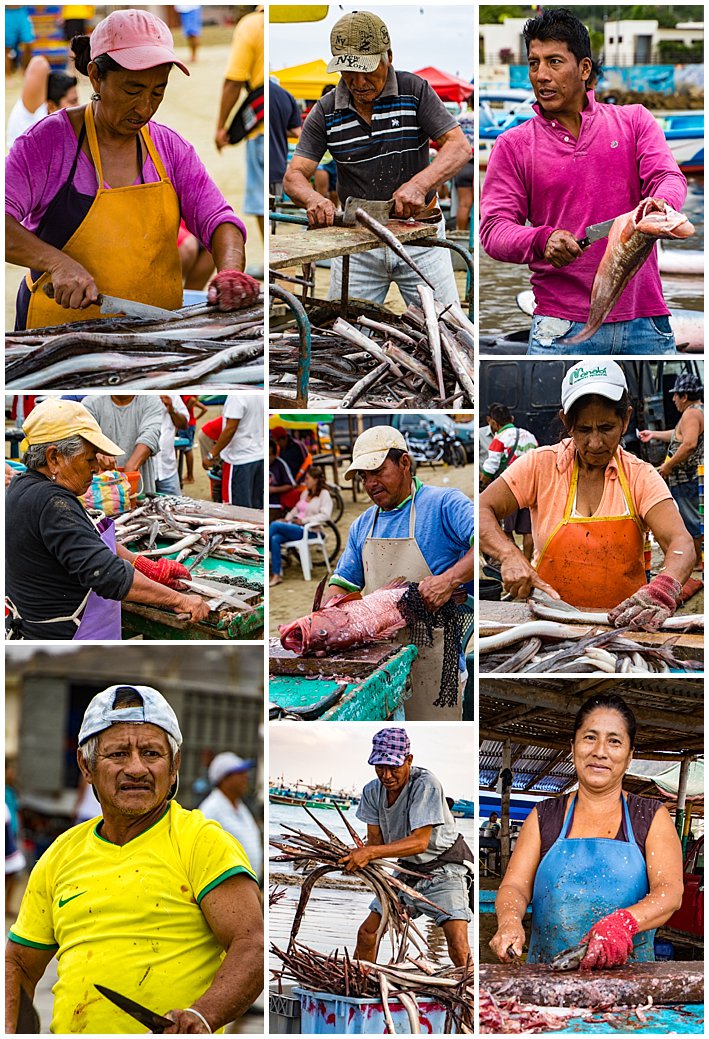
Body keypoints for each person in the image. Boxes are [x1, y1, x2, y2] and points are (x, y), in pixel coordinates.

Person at [5, 683, 263, 1033]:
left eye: (152, 754)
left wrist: (203, 1015)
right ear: (86, 765)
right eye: (118, 754)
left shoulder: (202, 841)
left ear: (174, 767)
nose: (137, 768)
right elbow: (19, 962)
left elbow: (253, 945)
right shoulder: (60, 855)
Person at [6, 8, 259, 331]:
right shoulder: (46, 143)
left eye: (158, 92)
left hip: (155, 338)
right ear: (96, 75)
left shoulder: (170, 148)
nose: (145, 108)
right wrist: (55, 263)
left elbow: (219, 220)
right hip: (56, 337)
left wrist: (230, 271)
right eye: (132, 90)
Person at [479, 8, 687, 354]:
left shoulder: (634, 121)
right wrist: (542, 240)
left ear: (584, 69)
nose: (541, 75)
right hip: (560, 326)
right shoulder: (513, 145)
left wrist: (659, 204)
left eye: (554, 62)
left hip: (645, 321)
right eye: (534, 63)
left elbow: (668, 177)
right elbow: (494, 230)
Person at [479, 360, 695, 629]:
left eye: (606, 428)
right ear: (566, 422)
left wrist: (661, 589)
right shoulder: (540, 464)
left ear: (625, 419)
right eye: (583, 429)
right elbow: (481, 509)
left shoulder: (641, 476)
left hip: (623, 625)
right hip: (549, 620)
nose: (595, 443)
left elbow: (681, 543)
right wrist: (509, 554)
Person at [283, 10, 470, 307]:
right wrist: (313, 199)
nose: (358, 82)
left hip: (420, 235)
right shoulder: (325, 110)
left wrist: (420, 184)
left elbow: (459, 146)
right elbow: (294, 176)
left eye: (367, 71)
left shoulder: (415, 91)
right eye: (348, 72)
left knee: (445, 326)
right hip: (357, 241)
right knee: (344, 338)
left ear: (389, 57)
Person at [489, 694, 683, 967]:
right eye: (590, 737)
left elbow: (670, 892)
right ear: (573, 746)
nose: (600, 751)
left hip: (631, 981)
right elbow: (514, 886)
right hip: (546, 977)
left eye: (614, 741)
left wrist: (623, 923)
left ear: (629, 757)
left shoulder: (650, 816)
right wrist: (509, 921)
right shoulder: (544, 816)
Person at [5, 398, 209, 640]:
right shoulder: (52, 504)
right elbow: (108, 575)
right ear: (54, 458)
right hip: (65, 640)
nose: (95, 468)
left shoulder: (24, 485)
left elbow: (85, 539)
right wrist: (181, 601)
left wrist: (143, 565)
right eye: (89, 459)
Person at [323, 426, 475, 720]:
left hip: (435, 660)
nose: (370, 483)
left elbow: (483, 538)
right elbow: (341, 585)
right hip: (380, 665)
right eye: (364, 477)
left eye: (377, 471)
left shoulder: (444, 504)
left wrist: (448, 580)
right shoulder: (362, 525)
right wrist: (324, 618)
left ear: (404, 463)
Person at [339, 729, 472, 967]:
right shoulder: (372, 791)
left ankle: (471, 1000)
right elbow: (375, 843)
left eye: (394, 767)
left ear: (409, 760)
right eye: (380, 767)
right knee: (367, 934)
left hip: (445, 870)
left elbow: (420, 842)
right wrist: (355, 856)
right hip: (406, 872)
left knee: (458, 944)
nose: (386, 775)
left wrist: (369, 853)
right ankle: (360, 992)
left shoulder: (425, 784)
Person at [639, 373, 704, 576]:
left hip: (688, 477)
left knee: (693, 520)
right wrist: (654, 435)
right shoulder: (695, 412)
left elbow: (689, 443)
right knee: (694, 518)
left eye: (676, 395)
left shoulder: (692, 414)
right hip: (688, 478)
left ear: (684, 396)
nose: (673, 399)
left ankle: (699, 560)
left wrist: (668, 466)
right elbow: (678, 435)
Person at [215, 6, 264, 251]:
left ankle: (270, 262)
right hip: (286, 125)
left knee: (263, 203)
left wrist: (221, 127)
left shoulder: (253, 24)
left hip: (261, 129)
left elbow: (234, 80)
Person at [480, 404, 538, 562]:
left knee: (505, 530)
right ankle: (527, 562)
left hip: (509, 489)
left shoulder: (499, 438)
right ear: (511, 419)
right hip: (531, 489)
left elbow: (490, 467)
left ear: (493, 422)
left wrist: (483, 483)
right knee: (528, 530)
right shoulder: (529, 435)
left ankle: (515, 562)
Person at [199, 752, 263, 882]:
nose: (246, 777)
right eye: (240, 773)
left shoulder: (241, 807)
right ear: (224, 779)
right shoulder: (210, 810)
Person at [83, 395, 164, 495]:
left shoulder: (151, 400)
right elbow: (83, 434)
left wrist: (130, 469)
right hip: (98, 494)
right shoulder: (91, 403)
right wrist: (97, 451)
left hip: (139, 490)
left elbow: (150, 435)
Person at [269, 465, 333, 586]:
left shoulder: (324, 495)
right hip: (296, 527)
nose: (305, 481)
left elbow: (325, 516)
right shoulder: (305, 493)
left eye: (308, 478)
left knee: (274, 525)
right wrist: (286, 519)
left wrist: (304, 521)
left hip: (310, 530)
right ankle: (277, 574)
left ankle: (263, 551)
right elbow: (295, 509)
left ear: (315, 480)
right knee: (275, 538)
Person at [202, 395, 264, 509]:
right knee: (257, 508)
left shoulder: (236, 397)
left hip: (239, 460)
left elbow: (230, 429)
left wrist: (212, 455)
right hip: (259, 456)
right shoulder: (260, 394)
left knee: (237, 511)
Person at [6, 55, 78, 149]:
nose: (78, 106)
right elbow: (39, 63)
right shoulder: (33, 112)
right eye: (72, 102)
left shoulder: (60, 127)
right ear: (51, 107)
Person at [269, 78, 301, 198]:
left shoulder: (256, 92)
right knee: (272, 211)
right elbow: (298, 132)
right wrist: (279, 129)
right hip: (278, 167)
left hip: (261, 165)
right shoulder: (286, 95)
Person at [155, 394, 190, 496]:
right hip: (144, 473)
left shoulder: (172, 395)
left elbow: (184, 424)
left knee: (175, 509)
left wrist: (171, 409)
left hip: (168, 471)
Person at [181, 394, 209, 484]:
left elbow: (192, 400)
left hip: (186, 425)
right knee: (187, 449)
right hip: (190, 424)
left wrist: (185, 410)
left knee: (187, 449)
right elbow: (204, 408)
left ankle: (190, 476)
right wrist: (195, 419)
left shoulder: (187, 395)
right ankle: (189, 475)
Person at [268, 437, 296, 516]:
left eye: (269, 455)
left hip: (274, 505)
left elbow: (291, 485)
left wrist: (273, 490)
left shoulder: (280, 465)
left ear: (274, 455)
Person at [5, 6, 35, 76]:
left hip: (21, 12)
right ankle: (8, 76)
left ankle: (24, 72)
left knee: (29, 44)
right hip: (6, 12)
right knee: (5, 48)